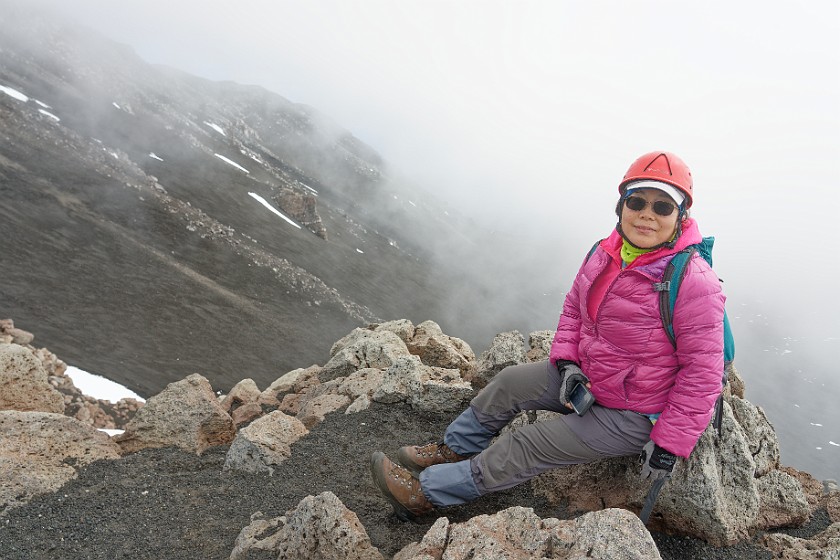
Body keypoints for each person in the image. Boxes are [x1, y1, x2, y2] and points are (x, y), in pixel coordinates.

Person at [370, 151, 726, 521]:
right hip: (591, 380)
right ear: (621, 206)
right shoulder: (605, 253)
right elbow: (575, 310)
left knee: (527, 444)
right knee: (509, 382)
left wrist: (669, 442)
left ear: (680, 216)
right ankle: (455, 448)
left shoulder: (693, 281)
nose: (647, 214)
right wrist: (568, 363)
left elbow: (703, 372)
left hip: (636, 412)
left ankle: (427, 493)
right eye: (637, 201)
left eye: (663, 206)